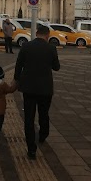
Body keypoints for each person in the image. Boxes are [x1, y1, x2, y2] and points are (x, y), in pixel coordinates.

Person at [14, 24, 60, 160]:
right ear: (47, 36)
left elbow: (18, 64)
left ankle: (31, 149)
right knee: (43, 113)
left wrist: (17, 80)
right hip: (45, 89)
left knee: (29, 118)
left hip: (28, 88)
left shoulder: (26, 46)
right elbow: (56, 67)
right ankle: (43, 135)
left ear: (37, 33)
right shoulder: (51, 48)